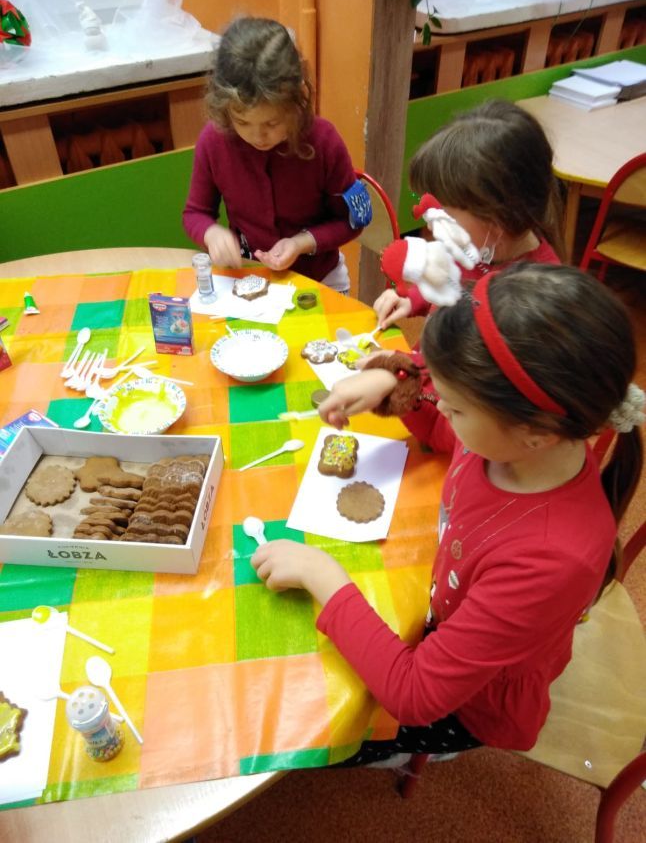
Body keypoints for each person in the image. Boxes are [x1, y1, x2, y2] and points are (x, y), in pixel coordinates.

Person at [251, 264, 644, 765]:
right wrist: (394, 390)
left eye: (455, 407)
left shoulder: (551, 560)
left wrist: (321, 575)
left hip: (471, 706)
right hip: (447, 608)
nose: (443, 410)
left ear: (536, 433)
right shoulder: (511, 443)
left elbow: (414, 695)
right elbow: (446, 436)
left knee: (303, 723)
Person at [182, 16, 368, 294]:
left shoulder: (324, 142)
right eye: (242, 122)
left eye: (272, 123)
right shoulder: (214, 140)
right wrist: (212, 233)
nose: (258, 136)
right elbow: (195, 213)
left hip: (321, 280)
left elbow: (352, 221)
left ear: (296, 102)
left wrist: (301, 243)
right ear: (224, 108)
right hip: (251, 278)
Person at [374, 99, 564, 328]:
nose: (431, 222)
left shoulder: (535, 304)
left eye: (444, 213)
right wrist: (411, 300)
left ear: (495, 221)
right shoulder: (474, 246)